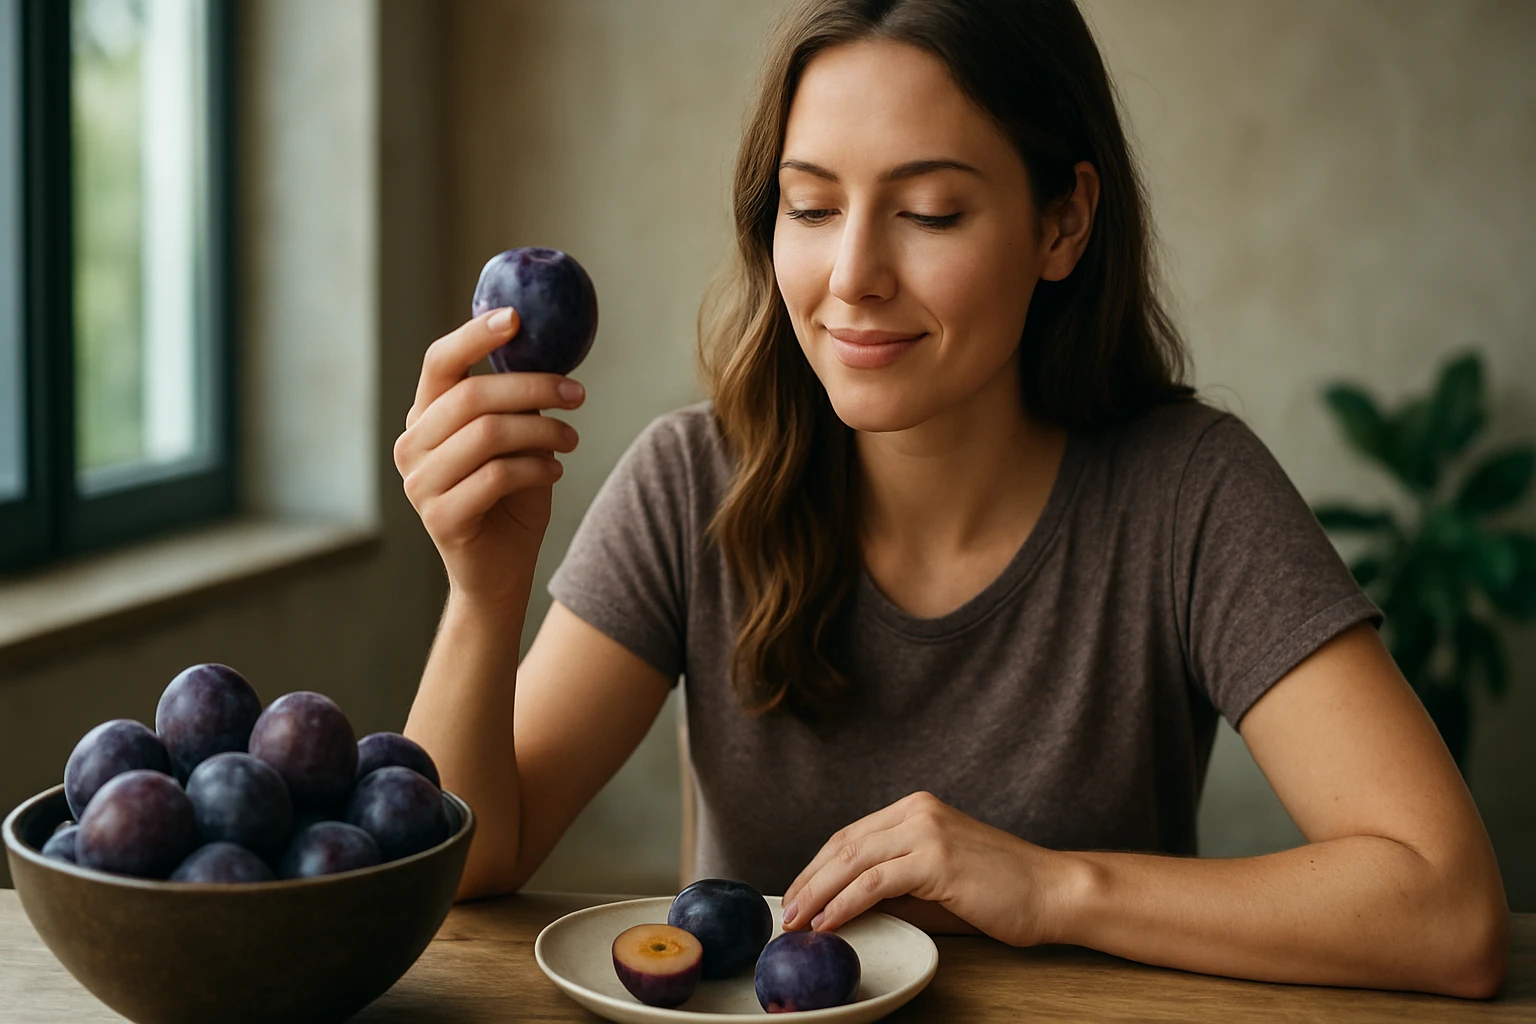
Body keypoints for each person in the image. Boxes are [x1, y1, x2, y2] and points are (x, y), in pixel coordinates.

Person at [392, 0, 1508, 999]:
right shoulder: (692, 481)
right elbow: (468, 863)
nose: (853, 276)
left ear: (1063, 223)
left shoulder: (1191, 493)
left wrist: (1050, 888)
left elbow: (1447, 912)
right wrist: (483, 593)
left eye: (928, 212)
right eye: (812, 207)